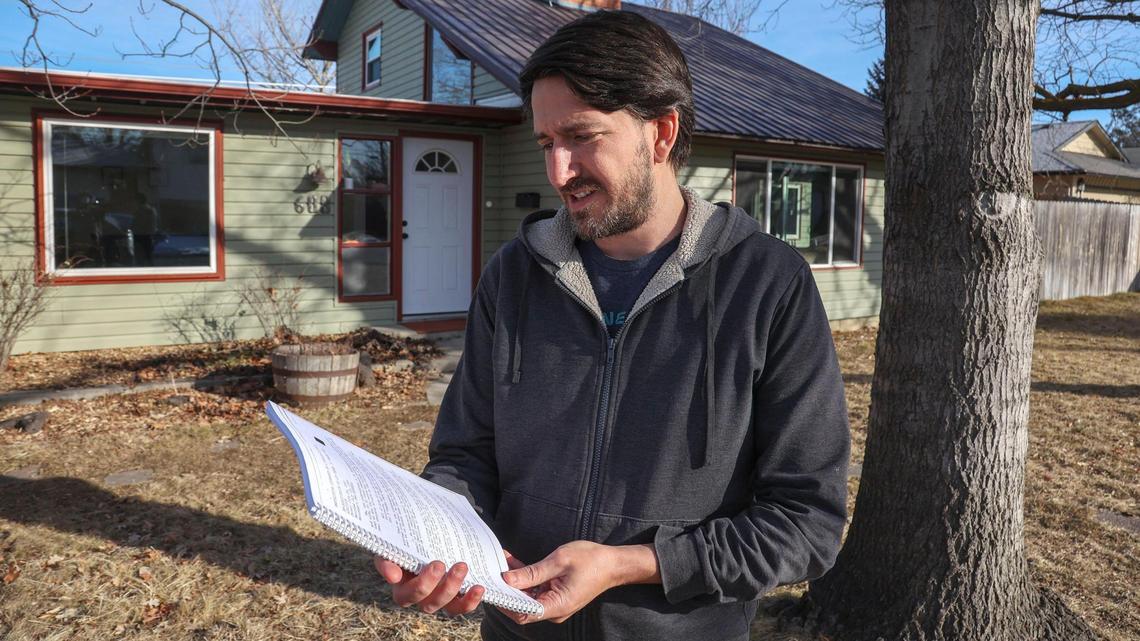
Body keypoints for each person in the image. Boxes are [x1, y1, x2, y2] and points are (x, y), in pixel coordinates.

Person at [375, 10, 850, 641]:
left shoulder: (767, 284)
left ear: (661, 132)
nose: (558, 173)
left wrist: (631, 566)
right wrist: (433, 539)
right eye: (547, 144)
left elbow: (806, 523)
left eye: (581, 136)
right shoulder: (514, 275)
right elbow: (464, 455)